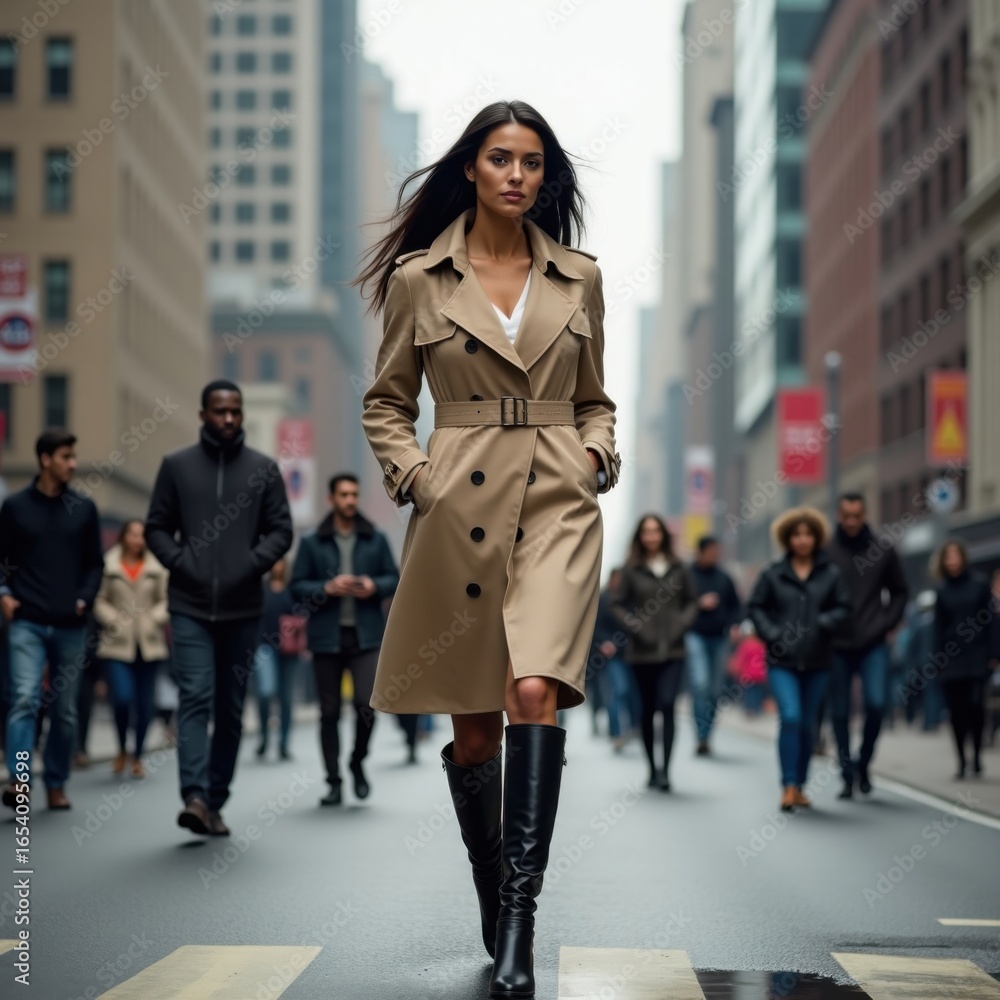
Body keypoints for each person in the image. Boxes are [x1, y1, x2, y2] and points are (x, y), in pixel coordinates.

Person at [355, 100, 619, 997]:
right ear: (471, 167)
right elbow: (386, 403)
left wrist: (595, 453)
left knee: (533, 691)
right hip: (457, 510)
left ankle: (520, 922)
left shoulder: (578, 278)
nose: (518, 175)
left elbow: (596, 399)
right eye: (501, 159)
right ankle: (492, 884)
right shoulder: (421, 280)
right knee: (475, 738)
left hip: (556, 501)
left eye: (534, 162)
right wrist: (417, 479)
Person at [145, 381, 292, 837]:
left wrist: (248, 564)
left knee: (230, 710)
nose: (228, 419)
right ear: (203, 414)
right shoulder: (176, 466)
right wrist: (183, 563)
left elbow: (281, 532)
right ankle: (193, 796)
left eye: (235, 411)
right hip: (189, 606)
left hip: (243, 609)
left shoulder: (264, 470)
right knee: (195, 699)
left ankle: (215, 799)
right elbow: (155, 528)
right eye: (219, 411)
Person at [0, 429, 104, 811]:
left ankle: (57, 782)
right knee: (24, 699)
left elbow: (96, 564)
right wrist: (4, 594)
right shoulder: (14, 507)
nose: (73, 464)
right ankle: (21, 781)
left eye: (74, 457)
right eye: (66, 457)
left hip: (70, 625)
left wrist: (83, 599)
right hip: (26, 621)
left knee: (65, 710)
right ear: (45, 459)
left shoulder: (84, 509)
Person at [290, 473, 399, 805]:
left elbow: (394, 577)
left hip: (365, 636)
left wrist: (374, 586)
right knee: (329, 712)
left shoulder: (375, 538)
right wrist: (325, 588)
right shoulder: (312, 542)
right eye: (344, 495)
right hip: (326, 637)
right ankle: (334, 780)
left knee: (367, 705)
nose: (350, 500)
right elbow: (297, 587)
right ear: (331, 499)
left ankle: (356, 761)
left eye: (354, 494)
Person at [747, 507, 851, 813]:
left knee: (807, 725)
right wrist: (773, 633)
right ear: (787, 539)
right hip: (782, 661)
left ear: (816, 538)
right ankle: (788, 785)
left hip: (818, 661)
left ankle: (801, 785)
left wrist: (823, 623)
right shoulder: (773, 572)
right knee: (790, 717)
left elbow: (844, 609)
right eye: (796, 535)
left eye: (807, 534)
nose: (802, 540)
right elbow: (755, 607)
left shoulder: (830, 574)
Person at [824, 492, 909, 799]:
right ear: (838, 515)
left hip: (873, 641)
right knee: (840, 711)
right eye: (845, 515)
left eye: (856, 516)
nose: (850, 521)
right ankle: (847, 773)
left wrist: (887, 622)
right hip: (836, 643)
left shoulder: (882, 549)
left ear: (864, 515)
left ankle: (864, 762)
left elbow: (900, 591)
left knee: (876, 704)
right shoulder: (826, 550)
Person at [611, 515, 697, 792]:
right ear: (640, 536)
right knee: (648, 709)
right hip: (642, 651)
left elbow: (692, 602)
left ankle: (667, 770)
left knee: (668, 704)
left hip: (673, 650)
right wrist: (635, 626)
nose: (651, 536)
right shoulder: (631, 569)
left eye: (656, 531)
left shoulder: (678, 567)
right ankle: (652, 769)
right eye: (646, 532)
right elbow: (616, 604)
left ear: (663, 534)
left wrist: (681, 624)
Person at [93, 519, 170, 779]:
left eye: (142, 535)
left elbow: (165, 601)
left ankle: (138, 755)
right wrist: (113, 620)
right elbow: (99, 599)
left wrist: (153, 619)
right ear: (124, 536)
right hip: (117, 644)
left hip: (148, 644)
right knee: (123, 698)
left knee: (145, 703)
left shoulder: (156, 567)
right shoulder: (109, 564)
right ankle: (121, 748)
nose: (138, 539)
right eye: (133, 534)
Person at [932, 540, 994, 778]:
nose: (952, 561)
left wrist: (993, 654)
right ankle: (961, 759)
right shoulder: (941, 590)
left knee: (976, 707)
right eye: (947, 557)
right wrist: (938, 659)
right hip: (952, 657)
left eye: (955, 556)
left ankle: (977, 755)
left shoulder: (979, 584)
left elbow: (990, 620)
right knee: (956, 712)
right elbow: (938, 628)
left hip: (977, 655)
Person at [685, 535, 741, 756]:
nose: (714, 555)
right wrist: (698, 603)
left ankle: (707, 735)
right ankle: (699, 735)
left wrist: (735, 625)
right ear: (700, 552)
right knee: (700, 685)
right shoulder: (687, 576)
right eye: (710, 551)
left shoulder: (724, 578)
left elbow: (737, 606)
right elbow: (677, 604)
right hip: (694, 635)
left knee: (716, 691)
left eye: (716, 551)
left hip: (720, 638)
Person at [253, 558, 303, 762]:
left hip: (290, 650)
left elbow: (303, 614)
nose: (277, 566)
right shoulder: (260, 588)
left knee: (286, 697)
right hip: (265, 647)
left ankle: (283, 743)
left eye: (280, 562)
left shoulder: (293, 589)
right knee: (265, 691)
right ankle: (264, 736)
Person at [587, 568, 633, 751]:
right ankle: (616, 732)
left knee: (625, 692)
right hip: (608, 655)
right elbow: (595, 625)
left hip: (630, 654)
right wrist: (604, 643)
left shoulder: (629, 601)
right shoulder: (603, 599)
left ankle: (625, 728)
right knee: (617, 690)